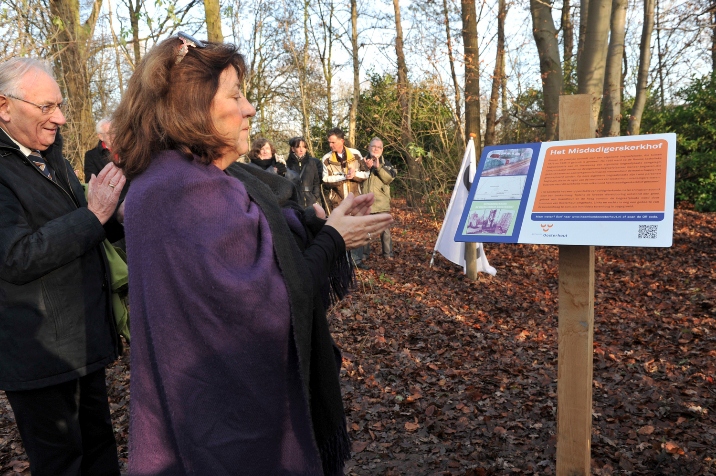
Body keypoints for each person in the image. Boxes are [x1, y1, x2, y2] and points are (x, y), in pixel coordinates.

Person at [111, 33, 392, 475]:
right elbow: (267, 302)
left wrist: (319, 221)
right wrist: (333, 239)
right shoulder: (188, 193)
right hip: (227, 426)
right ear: (192, 107)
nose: (249, 109)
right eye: (236, 95)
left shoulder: (174, 179)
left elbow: (259, 235)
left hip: (197, 406)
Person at [0, 58, 125, 476]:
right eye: (47, 107)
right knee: (62, 464)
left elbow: (82, 229)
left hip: (80, 343)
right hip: (40, 358)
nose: (62, 117)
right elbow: (15, 256)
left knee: (99, 452)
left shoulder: (49, 157)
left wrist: (117, 220)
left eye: (60, 105)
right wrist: (94, 216)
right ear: (4, 107)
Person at [321, 128, 370, 268]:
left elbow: (366, 174)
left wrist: (354, 175)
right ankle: (343, 261)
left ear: (342, 141)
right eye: (329, 142)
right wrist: (343, 177)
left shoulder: (356, 154)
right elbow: (325, 179)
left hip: (356, 199)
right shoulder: (326, 159)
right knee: (341, 231)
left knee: (358, 229)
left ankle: (357, 261)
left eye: (333, 142)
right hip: (338, 201)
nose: (331, 145)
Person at [363, 137, 396, 260]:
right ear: (369, 147)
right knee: (365, 230)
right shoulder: (361, 161)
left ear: (382, 149)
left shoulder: (386, 164)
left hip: (381, 202)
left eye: (379, 147)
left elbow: (389, 179)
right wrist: (366, 167)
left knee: (385, 231)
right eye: (373, 146)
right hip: (365, 202)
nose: (376, 149)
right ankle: (364, 255)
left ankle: (388, 254)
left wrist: (378, 168)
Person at [286, 136, 321, 208]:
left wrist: (315, 197)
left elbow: (316, 182)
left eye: (304, 147)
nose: (301, 149)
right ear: (293, 149)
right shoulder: (287, 164)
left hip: (310, 200)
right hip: (295, 201)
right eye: (298, 147)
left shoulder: (312, 162)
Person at [84, 117, 114, 182]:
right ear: (101, 137)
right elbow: (91, 182)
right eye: (109, 133)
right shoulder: (92, 156)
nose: (113, 136)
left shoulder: (128, 151)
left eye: (115, 132)